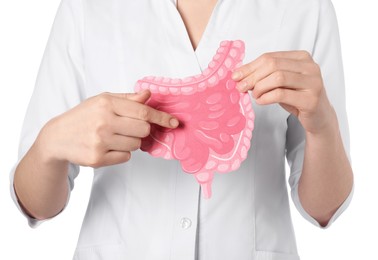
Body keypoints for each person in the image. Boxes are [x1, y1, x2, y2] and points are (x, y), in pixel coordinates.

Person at [10, 0, 354, 259]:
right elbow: (36, 205)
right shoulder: (88, 7)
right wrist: (49, 147)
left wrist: (322, 126)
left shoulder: (304, 8)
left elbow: (322, 210)